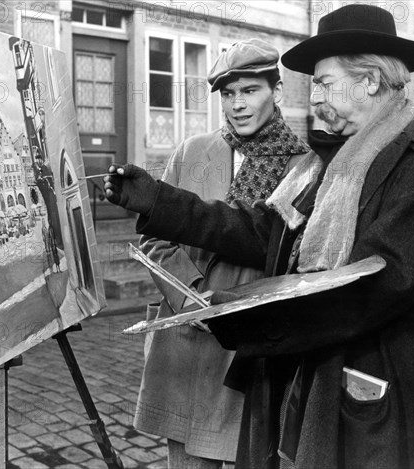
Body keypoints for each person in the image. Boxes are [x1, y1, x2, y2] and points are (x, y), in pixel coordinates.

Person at [105, 5, 414, 468]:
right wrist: (158, 202)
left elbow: (374, 287)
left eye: (323, 82)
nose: (313, 98)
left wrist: (243, 316)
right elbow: (266, 231)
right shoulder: (330, 162)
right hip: (321, 388)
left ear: (370, 81)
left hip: (379, 408)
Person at [134, 39, 309, 469]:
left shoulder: (303, 166)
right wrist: (192, 299)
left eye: (250, 91)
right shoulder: (193, 151)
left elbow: (297, 263)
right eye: (228, 94)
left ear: (278, 91)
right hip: (185, 340)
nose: (238, 105)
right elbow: (155, 239)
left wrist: (236, 313)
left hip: (245, 354)